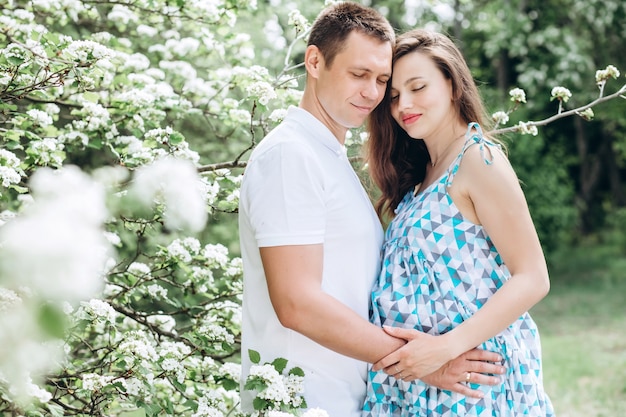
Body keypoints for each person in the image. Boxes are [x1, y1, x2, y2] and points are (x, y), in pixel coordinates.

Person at [238, 4, 504, 416]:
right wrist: (423, 364)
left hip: (348, 398)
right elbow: (296, 301)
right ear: (314, 61)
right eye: (358, 74)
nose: (373, 93)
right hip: (303, 399)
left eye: (382, 80)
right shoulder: (291, 155)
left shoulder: (329, 157)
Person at [361, 28, 555, 416]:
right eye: (395, 96)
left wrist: (444, 349)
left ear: (452, 85)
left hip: (470, 380)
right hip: (419, 382)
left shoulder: (478, 159)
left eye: (418, 87)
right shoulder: (421, 176)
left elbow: (533, 276)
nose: (404, 106)